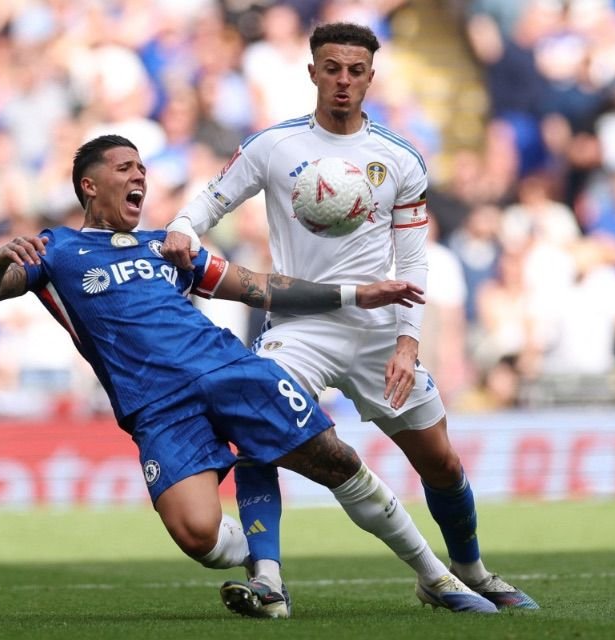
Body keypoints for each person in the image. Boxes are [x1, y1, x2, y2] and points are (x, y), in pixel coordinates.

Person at [0, 134, 500, 618]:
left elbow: (257, 287)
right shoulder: (55, 251)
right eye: (125, 168)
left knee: (335, 461)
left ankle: (436, 576)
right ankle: (266, 573)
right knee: (197, 535)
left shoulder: (166, 246)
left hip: (228, 369)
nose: (139, 177)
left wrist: (356, 294)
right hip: (156, 407)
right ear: (90, 184)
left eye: (142, 169)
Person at [162, 22, 538, 616]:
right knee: (260, 439)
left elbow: (413, 260)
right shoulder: (273, 146)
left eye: (355, 70)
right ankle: (268, 581)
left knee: (439, 460)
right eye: (332, 68)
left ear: (370, 76)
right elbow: (211, 199)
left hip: (378, 331)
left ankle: (470, 570)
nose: (343, 80)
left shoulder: (399, 158)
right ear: (312, 72)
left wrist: (410, 343)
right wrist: (183, 227)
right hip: (296, 329)